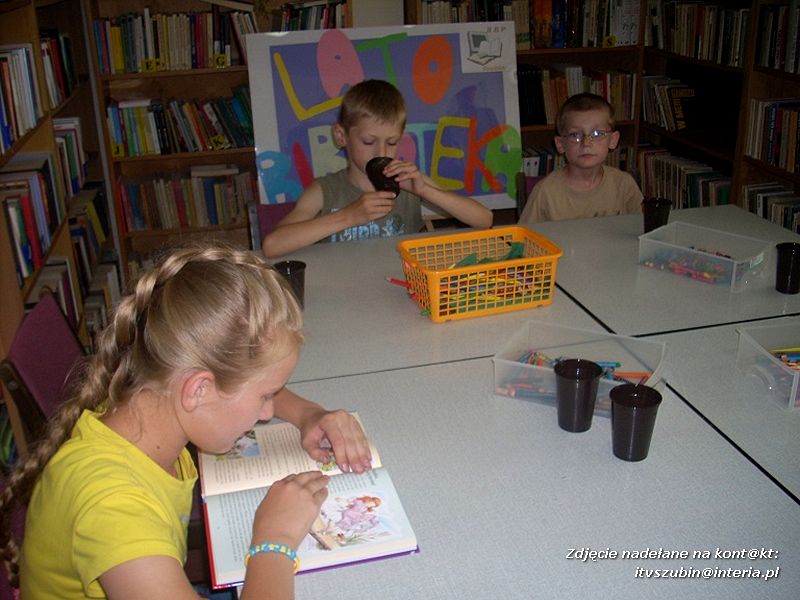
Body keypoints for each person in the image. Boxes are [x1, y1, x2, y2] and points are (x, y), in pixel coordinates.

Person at [0, 243, 373, 600]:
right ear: (198, 390)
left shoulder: (145, 400)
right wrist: (273, 541)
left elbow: (239, 380)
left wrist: (310, 414)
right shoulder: (113, 506)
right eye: (265, 396)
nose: (266, 412)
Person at [261, 79, 493, 258]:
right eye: (369, 142)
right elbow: (272, 245)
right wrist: (347, 217)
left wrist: (426, 191)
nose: (381, 152)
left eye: (391, 142)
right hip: (343, 294)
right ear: (341, 136)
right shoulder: (325, 190)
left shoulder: (409, 180)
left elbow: (484, 219)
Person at [518, 93, 642, 224]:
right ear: (560, 144)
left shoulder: (624, 185)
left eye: (597, 134)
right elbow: (521, 240)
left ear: (613, 140)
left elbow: (642, 231)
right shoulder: (545, 192)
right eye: (575, 135)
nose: (586, 143)